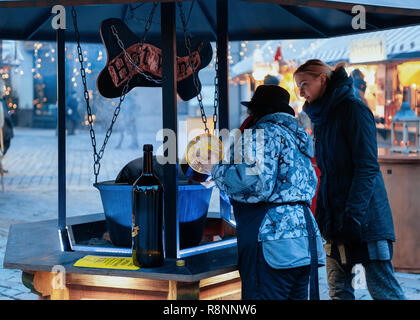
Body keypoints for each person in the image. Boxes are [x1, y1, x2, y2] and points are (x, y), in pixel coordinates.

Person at [199, 85, 326, 300]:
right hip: (304, 241)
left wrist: (215, 169)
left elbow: (254, 183)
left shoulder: (262, 134)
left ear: (256, 111)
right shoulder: (297, 138)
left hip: (272, 242)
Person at [294, 59, 406, 300]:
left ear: (322, 79)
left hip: (365, 220)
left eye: (304, 84)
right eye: (297, 86)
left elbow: (366, 167)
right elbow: (328, 172)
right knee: (338, 290)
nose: (300, 91)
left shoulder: (352, 109)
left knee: (383, 290)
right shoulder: (322, 115)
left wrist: (353, 215)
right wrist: (324, 215)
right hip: (335, 221)